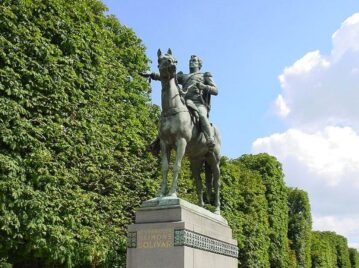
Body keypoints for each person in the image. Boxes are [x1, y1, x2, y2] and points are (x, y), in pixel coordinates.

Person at [143, 54, 218, 149]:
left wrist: (204, 87)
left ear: (199, 64)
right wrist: (152, 74)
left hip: (197, 103)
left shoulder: (204, 75)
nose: (191, 62)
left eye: (194, 61)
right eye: (190, 61)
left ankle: (209, 138)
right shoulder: (183, 76)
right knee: (168, 116)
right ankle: (159, 140)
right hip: (184, 102)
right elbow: (167, 76)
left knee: (202, 115)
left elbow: (215, 90)